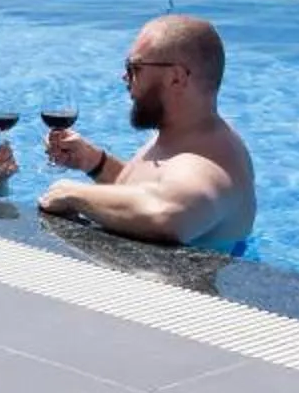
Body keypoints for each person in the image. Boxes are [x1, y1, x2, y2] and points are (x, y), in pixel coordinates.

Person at [37, 13, 256, 248]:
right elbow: (153, 192)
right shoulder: (186, 132)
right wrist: (96, 163)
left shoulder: (205, 163)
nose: (125, 77)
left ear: (176, 78)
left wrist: (73, 194)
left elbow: (168, 214)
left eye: (135, 68)